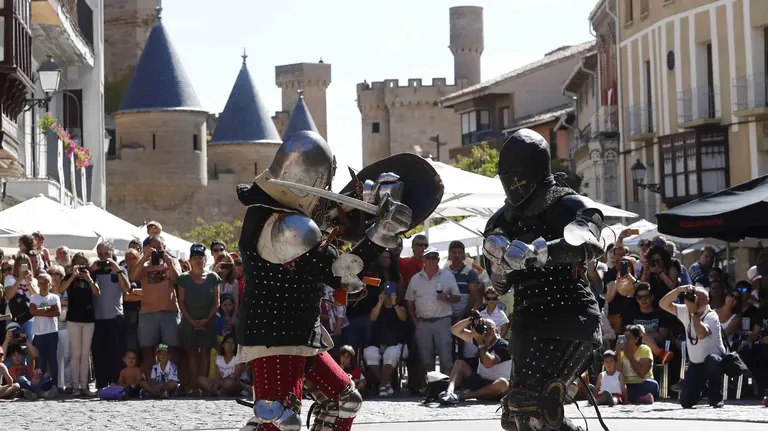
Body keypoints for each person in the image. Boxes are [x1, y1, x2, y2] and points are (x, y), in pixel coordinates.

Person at [234, 130, 415, 431]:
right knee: (280, 421)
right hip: (277, 338)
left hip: (300, 334)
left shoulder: (274, 214)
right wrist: (381, 234)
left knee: (345, 401)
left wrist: (358, 218)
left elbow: (328, 250)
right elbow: (343, 273)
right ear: (314, 182)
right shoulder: (289, 227)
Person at [482, 129, 605, 431]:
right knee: (519, 415)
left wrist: (538, 253)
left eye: (518, 177)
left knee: (537, 407)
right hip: (529, 322)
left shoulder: (568, 204)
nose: (514, 185)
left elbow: (589, 242)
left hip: (570, 317)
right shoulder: (500, 221)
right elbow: (499, 285)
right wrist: (500, 264)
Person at [659, 285, 725, 409]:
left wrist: (694, 313)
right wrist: (680, 290)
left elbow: (701, 334)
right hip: (696, 364)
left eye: (701, 299)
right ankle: (704, 390)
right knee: (686, 402)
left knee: (712, 361)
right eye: (695, 298)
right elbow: (663, 304)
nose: (698, 302)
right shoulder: (686, 310)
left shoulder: (711, 316)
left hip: (714, 362)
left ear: (708, 301)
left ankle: (716, 397)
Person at [178, 244, 221, 393]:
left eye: (200, 257)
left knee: (205, 353)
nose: (198, 260)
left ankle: (204, 385)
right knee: (191, 354)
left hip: (208, 321)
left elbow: (217, 302)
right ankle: (194, 385)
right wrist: (190, 320)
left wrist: (206, 319)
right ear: (190, 260)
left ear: (205, 259)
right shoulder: (184, 278)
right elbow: (181, 302)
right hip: (189, 321)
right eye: (195, 257)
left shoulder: (213, 277)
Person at [440, 316, 511, 404]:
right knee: (459, 363)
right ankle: (449, 392)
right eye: (484, 329)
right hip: (480, 381)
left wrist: (480, 343)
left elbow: (488, 363)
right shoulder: (480, 338)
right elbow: (454, 330)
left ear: (496, 331)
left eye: (490, 329)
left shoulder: (503, 345)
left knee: (503, 383)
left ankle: (463, 396)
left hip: (495, 386)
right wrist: (471, 319)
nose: (486, 332)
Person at [617, 325, 658, 404]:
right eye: (624, 337)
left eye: (628, 337)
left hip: (641, 383)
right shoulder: (620, 352)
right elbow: (617, 374)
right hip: (626, 385)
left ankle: (627, 398)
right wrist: (618, 356)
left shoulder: (644, 349)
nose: (626, 340)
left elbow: (642, 373)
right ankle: (638, 398)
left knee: (652, 385)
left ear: (636, 339)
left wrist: (630, 357)